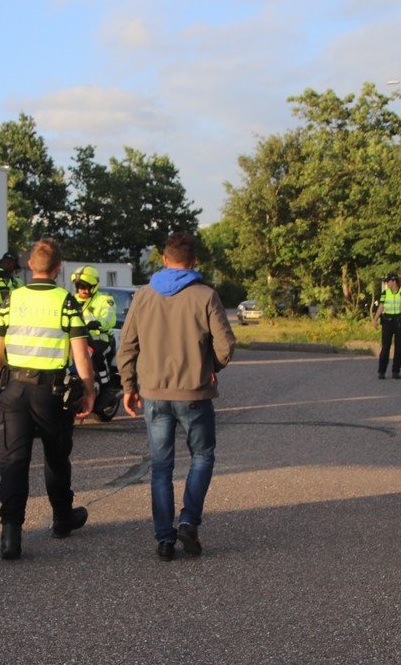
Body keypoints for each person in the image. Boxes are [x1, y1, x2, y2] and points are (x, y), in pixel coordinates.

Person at [119, 232, 236, 561]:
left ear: (165, 260)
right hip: (194, 393)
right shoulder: (206, 295)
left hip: (154, 395)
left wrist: (129, 387)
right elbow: (226, 347)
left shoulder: (143, 296)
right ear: (194, 261)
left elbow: (127, 346)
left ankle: (164, 539)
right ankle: (188, 521)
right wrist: (209, 366)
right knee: (202, 456)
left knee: (161, 467)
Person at [0, 238, 96, 560]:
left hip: (15, 389)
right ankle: (62, 519)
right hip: (51, 394)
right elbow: (80, 354)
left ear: (30, 266)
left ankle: (10, 535)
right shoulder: (66, 301)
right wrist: (89, 390)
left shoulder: (11, 299)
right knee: (56, 457)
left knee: (13, 462)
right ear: (59, 268)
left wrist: (13, 373)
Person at [71, 265, 117, 387]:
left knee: (98, 354)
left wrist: (99, 323)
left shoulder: (105, 299)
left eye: (86, 287)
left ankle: (105, 386)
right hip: (79, 338)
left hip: (101, 338)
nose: (83, 290)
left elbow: (109, 317)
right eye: (80, 287)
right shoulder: (72, 301)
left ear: (94, 286)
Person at [372, 273, 401, 379]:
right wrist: (375, 319)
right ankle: (382, 371)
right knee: (385, 347)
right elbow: (381, 307)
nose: (387, 283)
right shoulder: (385, 293)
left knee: (399, 347)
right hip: (388, 321)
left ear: (394, 281)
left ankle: (396, 371)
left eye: (388, 281)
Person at [0, 252, 22, 324]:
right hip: (4, 313)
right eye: (7, 262)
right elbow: (5, 296)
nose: (8, 264)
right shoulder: (1, 275)